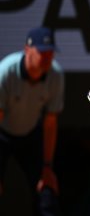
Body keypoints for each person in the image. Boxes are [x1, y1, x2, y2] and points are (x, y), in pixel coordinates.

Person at [0, 27, 64, 216]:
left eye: (50, 53)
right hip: (1, 134)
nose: (47, 58)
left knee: (46, 190)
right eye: (42, 52)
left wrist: (47, 166)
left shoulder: (56, 75)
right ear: (27, 50)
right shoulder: (5, 73)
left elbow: (50, 123)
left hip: (31, 135)